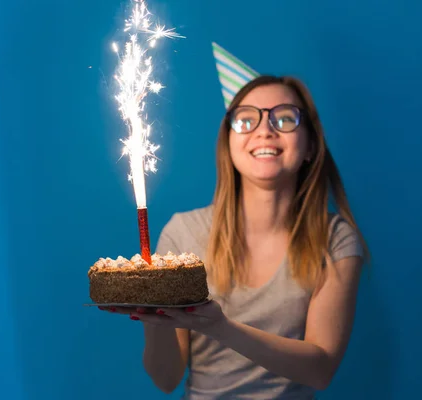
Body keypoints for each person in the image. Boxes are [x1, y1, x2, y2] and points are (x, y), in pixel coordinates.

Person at [103, 75, 369, 399]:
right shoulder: (184, 234)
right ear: (228, 143)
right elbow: (166, 379)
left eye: (285, 118)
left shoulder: (336, 240)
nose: (264, 130)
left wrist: (220, 328)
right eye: (246, 120)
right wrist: (154, 319)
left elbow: (320, 371)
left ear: (311, 144)